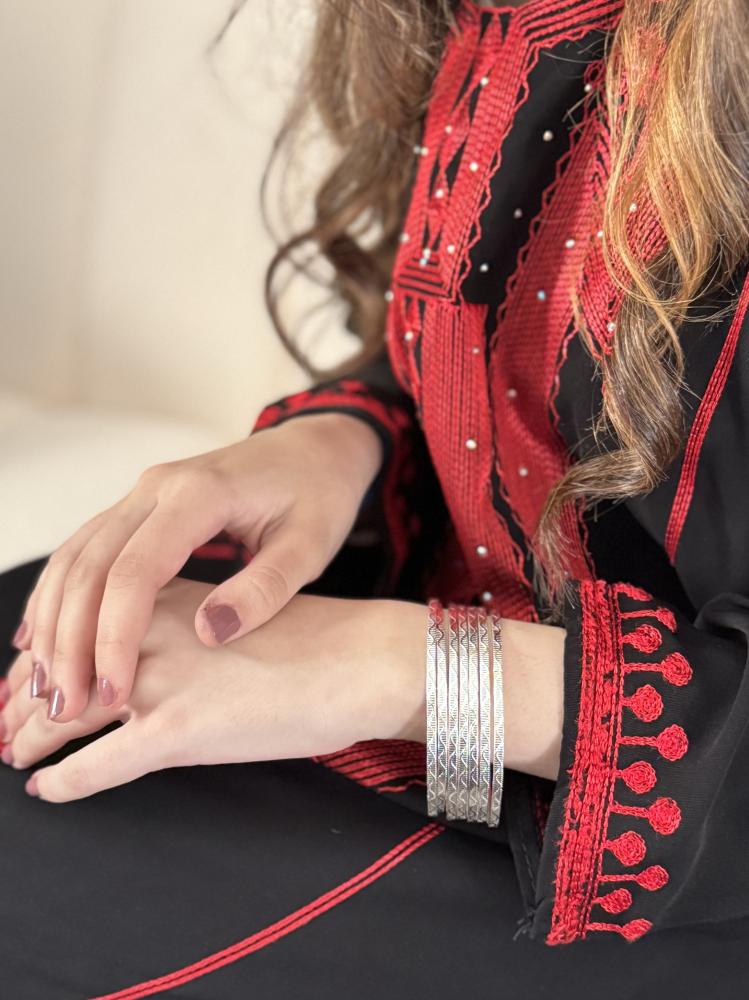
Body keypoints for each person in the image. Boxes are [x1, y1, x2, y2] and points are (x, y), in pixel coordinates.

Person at [2, 0, 749, 996]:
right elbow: (529, 373)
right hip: (455, 669)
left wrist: (398, 667)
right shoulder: (480, 19)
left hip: (666, 867)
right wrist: (336, 438)